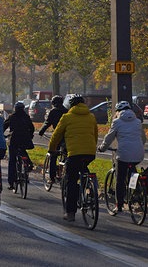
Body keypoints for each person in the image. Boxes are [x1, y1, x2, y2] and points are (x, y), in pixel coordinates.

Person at [49, 94, 98, 222]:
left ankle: (70, 212)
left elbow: (56, 135)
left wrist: (52, 149)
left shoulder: (67, 117)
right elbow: (95, 135)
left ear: (70, 105)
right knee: (83, 168)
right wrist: (91, 148)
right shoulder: (91, 117)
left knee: (71, 180)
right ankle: (91, 191)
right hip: (90, 153)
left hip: (74, 153)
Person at [98, 101, 146, 213]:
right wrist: (136, 146)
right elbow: (143, 139)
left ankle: (119, 205)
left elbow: (109, 138)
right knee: (132, 167)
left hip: (123, 154)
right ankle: (137, 191)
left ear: (118, 111)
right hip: (138, 153)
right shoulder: (138, 122)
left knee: (119, 179)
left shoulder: (117, 122)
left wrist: (102, 148)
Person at [3, 101, 35, 190]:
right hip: (25, 139)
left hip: (14, 139)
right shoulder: (26, 117)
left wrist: (2, 135)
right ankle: (28, 164)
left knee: (12, 160)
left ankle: (11, 182)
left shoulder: (11, 117)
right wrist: (30, 135)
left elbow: (3, 127)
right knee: (22, 151)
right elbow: (32, 128)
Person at [38, 95, 68, 184]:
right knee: (65, 154)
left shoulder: (53, 112)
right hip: (67, 136)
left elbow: (47, 123)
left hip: (58, 136)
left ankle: (52, 177)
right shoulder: (66, 111)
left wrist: (41, 131)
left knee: (53, 154)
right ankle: (62, 171)